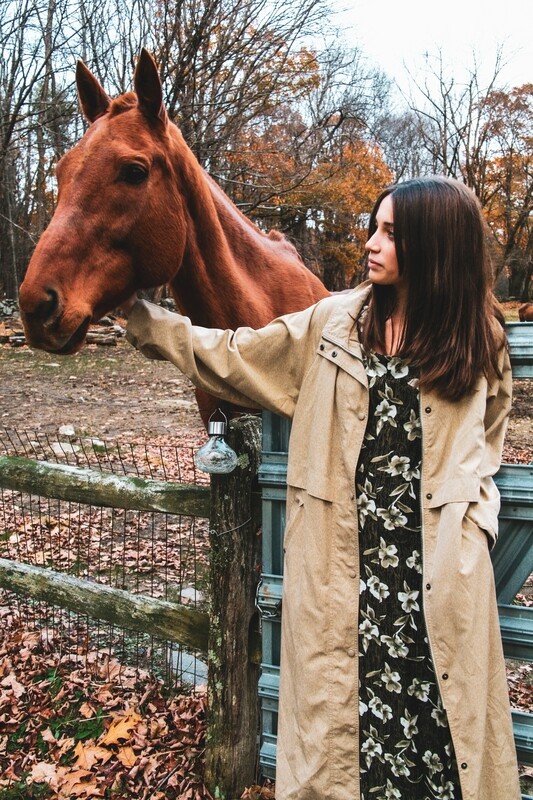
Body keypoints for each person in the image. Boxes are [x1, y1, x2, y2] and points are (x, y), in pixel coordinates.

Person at [122, 176, 520, 800]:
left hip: (436, 580)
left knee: (439, 750)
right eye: (374, 226)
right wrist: (151, 323)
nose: (371, 243)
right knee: (343, 750)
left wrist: (475, 518)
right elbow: (238, 355)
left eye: (391, 233)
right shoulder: (334, 324)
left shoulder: (476, 339)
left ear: (435, 246)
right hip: (344, 575)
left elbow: (489, 432)